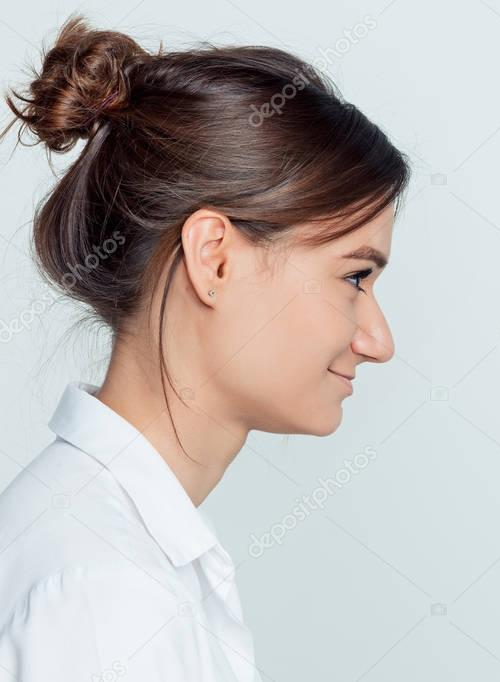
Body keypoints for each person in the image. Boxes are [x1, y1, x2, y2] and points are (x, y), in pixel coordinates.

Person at [0, 15, 409, 681]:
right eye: (353, 277)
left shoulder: (119, 554)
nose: (378, 341)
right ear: (214, 258)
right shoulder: (106, 594)